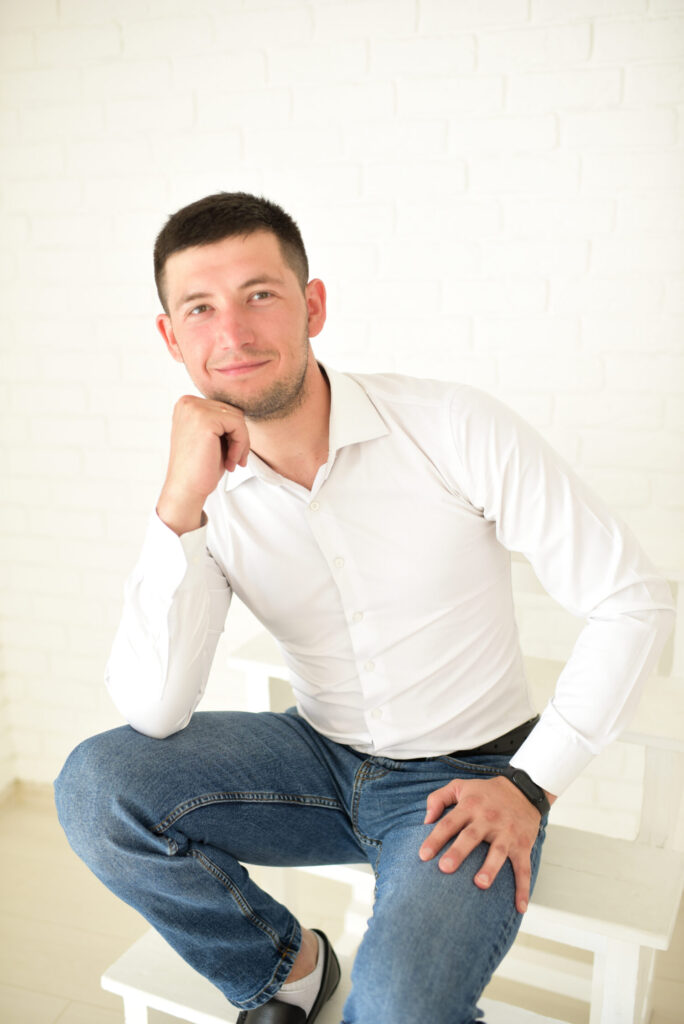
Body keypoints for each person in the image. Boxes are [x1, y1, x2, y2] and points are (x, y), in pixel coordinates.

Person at [55, 192, 674, 1024]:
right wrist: (176, 507)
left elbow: (632, 601)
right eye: (200, 308)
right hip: (316, 759)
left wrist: (531, 785)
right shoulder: (204, 491)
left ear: (312, 306)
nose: (232, 332)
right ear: (172, 338)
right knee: (97, 788)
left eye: (259, 295)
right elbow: (155, 712)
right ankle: (288, 972)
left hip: (468, 779)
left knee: (395, 1012)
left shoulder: (450, 426)